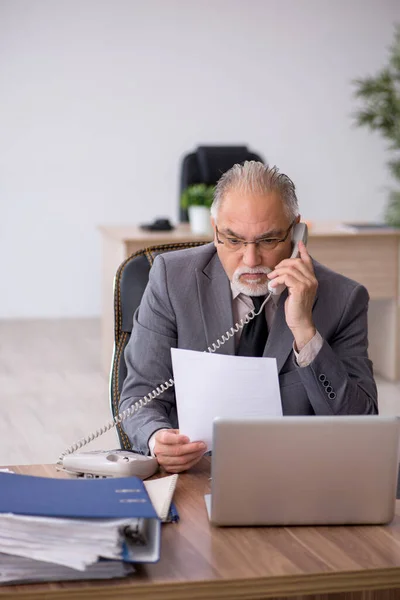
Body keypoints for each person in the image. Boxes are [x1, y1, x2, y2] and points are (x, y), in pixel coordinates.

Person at [119, 161, 378, 472]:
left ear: (297, 233)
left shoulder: (344, 299)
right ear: (215, 231)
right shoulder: (172, 279)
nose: (251, 259)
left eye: (268, 240)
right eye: (234, 240)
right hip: (196, 472)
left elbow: (361, 429)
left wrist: (305, 331)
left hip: (298, 476)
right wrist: (156, 437)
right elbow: (140, 395)